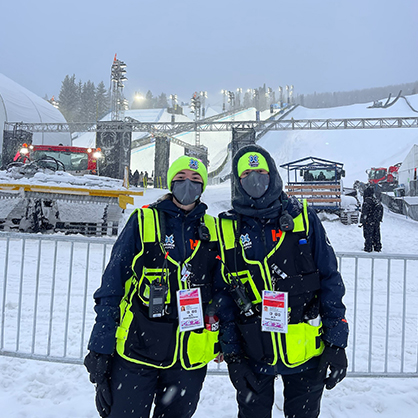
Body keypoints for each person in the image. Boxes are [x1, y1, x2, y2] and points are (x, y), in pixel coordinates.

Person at [84, 155, 222, 418]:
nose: (188, 185)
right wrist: (100, 346)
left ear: (203, 185)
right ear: (171, 182)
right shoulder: (144, 220)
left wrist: (226, 338)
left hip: (188, 356)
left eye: (195, 180)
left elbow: (222, 292)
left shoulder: (213, 230)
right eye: (181, 179)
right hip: (138, 351)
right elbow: (112, 285)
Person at [217, 144, 349, 418]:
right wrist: (232, 356)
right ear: (237, 182)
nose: (255, 179)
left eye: (262, 173)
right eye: (247, 175)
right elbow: (224, 298)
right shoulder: (227, 229)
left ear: (273, 175)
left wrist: (336, 342)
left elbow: (330, 280)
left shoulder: (303, 218)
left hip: (305, 355)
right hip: (254, 355)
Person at [360, 185, 383, 252]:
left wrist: (363, 221)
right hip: (376, 221)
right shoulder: (375, 201)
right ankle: (377, 246)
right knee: (376, 234)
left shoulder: (367, 202)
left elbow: (364, 212)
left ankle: (368, 247)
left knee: (368, 234)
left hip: (369, 221)